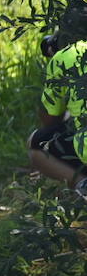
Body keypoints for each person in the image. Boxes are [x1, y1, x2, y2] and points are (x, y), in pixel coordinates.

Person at [29, 13, 87, 196]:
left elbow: (50, 119)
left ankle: (83, 184)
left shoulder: (66, 57)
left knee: (37, 143)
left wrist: (58, 57)